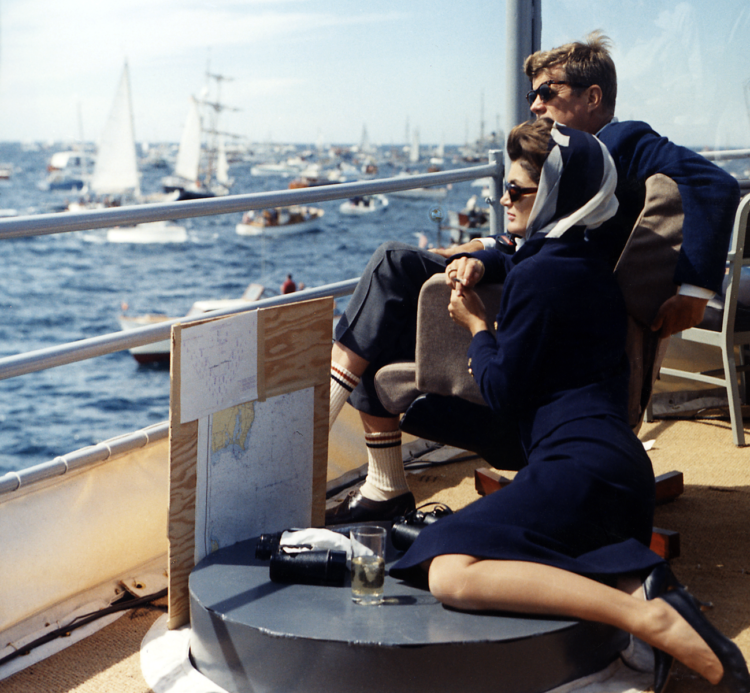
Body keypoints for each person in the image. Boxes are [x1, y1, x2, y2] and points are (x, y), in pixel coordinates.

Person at [388, 118, 750, 693]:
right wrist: (492, 261)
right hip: (618, 472)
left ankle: (647, 617)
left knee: (449, 572)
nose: (503, 200)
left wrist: (479, 327)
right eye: (502, 189)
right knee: (557, 550)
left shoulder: (541, 278)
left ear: (556, 194)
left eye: (517, 191)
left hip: (575, 467)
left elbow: (504, 394)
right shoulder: (587, 265)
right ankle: (644, 588)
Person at [325, 31, 740, 525]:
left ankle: (319, 442)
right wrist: (484, 251)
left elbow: (714, 183)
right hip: (534, 283)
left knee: (394, 266)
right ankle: (384, 486)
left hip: (548, 307)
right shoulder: (561, 156)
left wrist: (695, 293)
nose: (536, 104)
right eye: (532, 95)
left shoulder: (620, 142)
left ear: (593, 97)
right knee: (386, 312)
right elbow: (545, 236)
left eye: (549, 91)